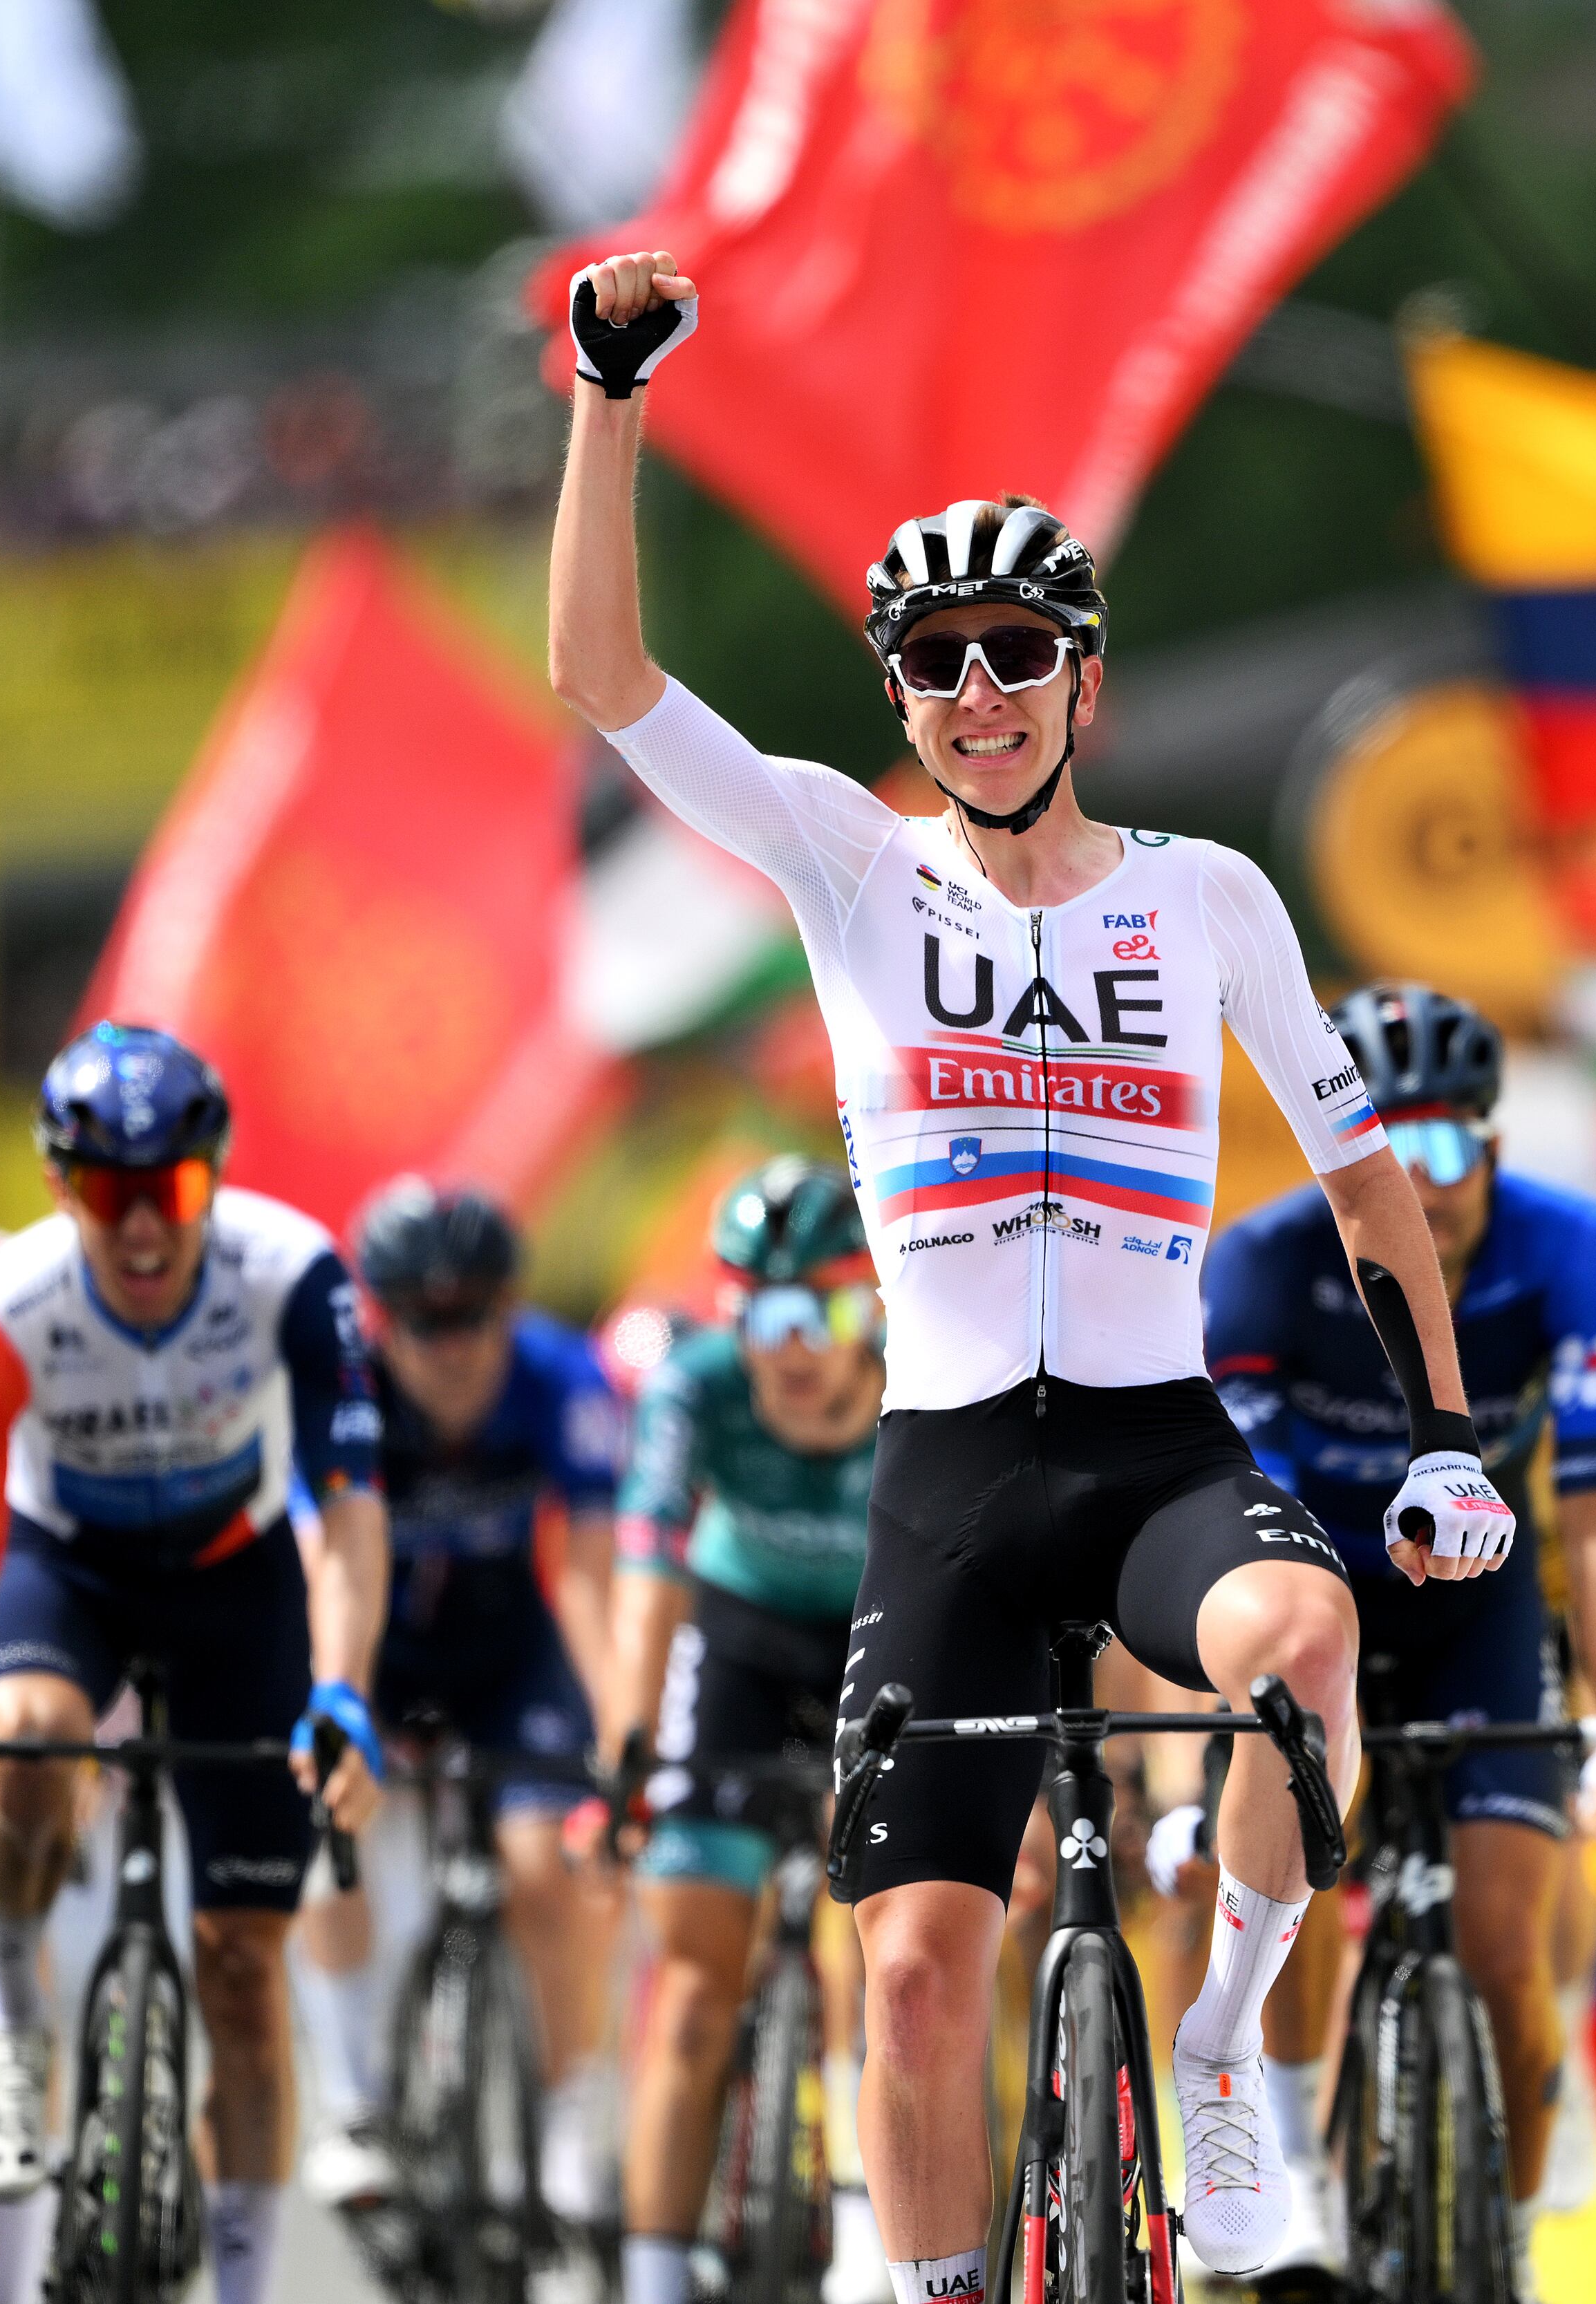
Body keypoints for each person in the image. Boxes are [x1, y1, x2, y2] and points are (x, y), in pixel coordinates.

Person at [550, 250, 1510, 2298]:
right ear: (897, 701)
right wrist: (604, 395)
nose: (976, 690)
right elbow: (605, 677)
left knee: (1308, 1648)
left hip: (1161, 1452)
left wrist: (1439, 1438)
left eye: (1015, 651)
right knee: (907, 1976)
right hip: (953, 1475)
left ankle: (1222, 2044)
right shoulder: (848, 862)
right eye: (935, 661)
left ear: (1085, 679)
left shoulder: (1209, 897)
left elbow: (1366, 1186)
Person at [0, 1024, 388, 2304]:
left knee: (241, 1962)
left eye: (167, 1188)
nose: (139, 1227)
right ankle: (13, 2030)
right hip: (72, 1572)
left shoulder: (293, 1270)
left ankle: (244, 2283)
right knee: (27, 1737)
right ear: (63, 1190)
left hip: (239, 1579)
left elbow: (349, 1511)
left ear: (211, 1175)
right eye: (108, 1194)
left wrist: (342, 1689)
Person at [1196, 982, 1596, 2284]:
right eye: (1387, 1148)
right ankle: (1301, 2191)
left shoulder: (1568, 1246)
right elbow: (1224, 1532)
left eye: (1446, 1146)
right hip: (1314, 1584)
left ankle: (1501, 2250)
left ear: (1496, 1147)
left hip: (1476, 1600)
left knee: (1507, 1947)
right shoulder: (1263, 1261)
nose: (1422, 1182)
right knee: (1283, 1878)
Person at [292, 1177, 623, 2217]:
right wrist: (334, 1699)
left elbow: (589, 1569)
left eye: (476, 1312)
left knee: (546, 1869)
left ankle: (571, 2109)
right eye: (422, 1320)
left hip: (509, 1649)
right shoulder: (339, 1388)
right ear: (379, 1318)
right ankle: (352, 2099)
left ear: (510, 1307)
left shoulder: (561, 1378)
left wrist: (624, 1731)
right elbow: (323, 1560)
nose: (452, 1344)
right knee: (328, 1842)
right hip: (378, 1636)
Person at [609, 1157, 888, 2304]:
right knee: (688, 1988)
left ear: (872, 1302)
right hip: (740, 1641)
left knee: (889, 1945)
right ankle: (654, 2273)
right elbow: (647, 1570)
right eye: (760, 1313)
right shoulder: (695, 1385)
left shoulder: (932, 1373)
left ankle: (881, 2231)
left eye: (821, 1309)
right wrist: (628, 1749)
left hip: (887, 1636)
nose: (792, 1348)